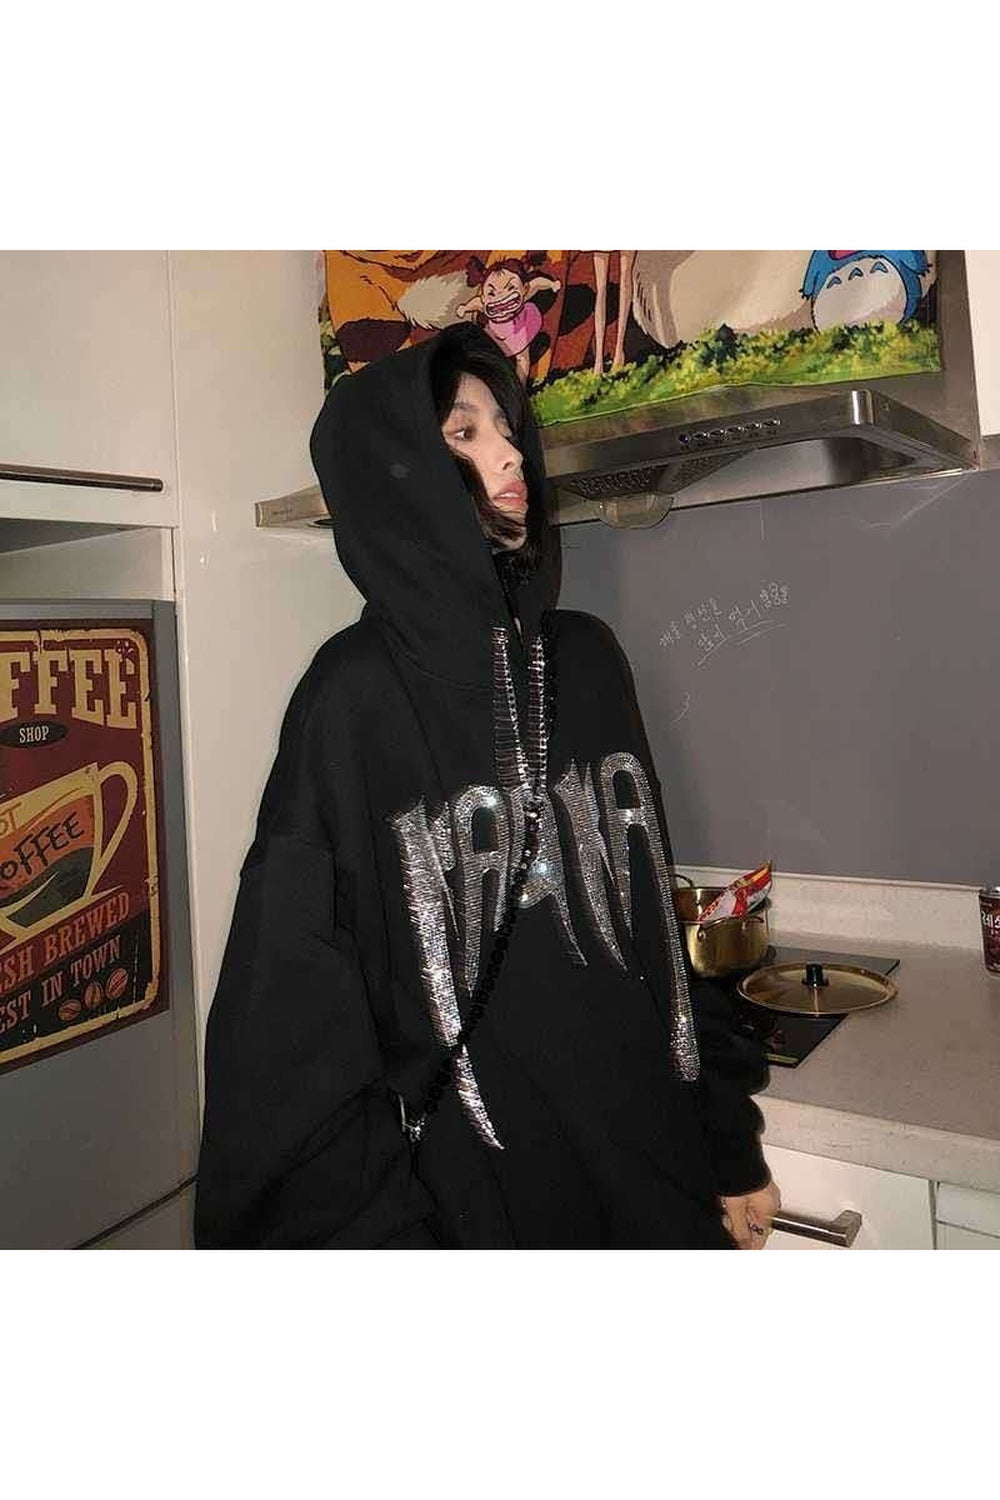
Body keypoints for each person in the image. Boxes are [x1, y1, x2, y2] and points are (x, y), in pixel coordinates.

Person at [194, 321, 780, 1250]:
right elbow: (291, 1019)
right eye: (464, 433)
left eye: (507, 427)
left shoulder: (587, 660)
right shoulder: (352, 699)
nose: (511, 454)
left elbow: (653, 940)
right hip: (483, 1213)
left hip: (656, 1184)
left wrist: (725, 1140)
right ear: (391, 474)